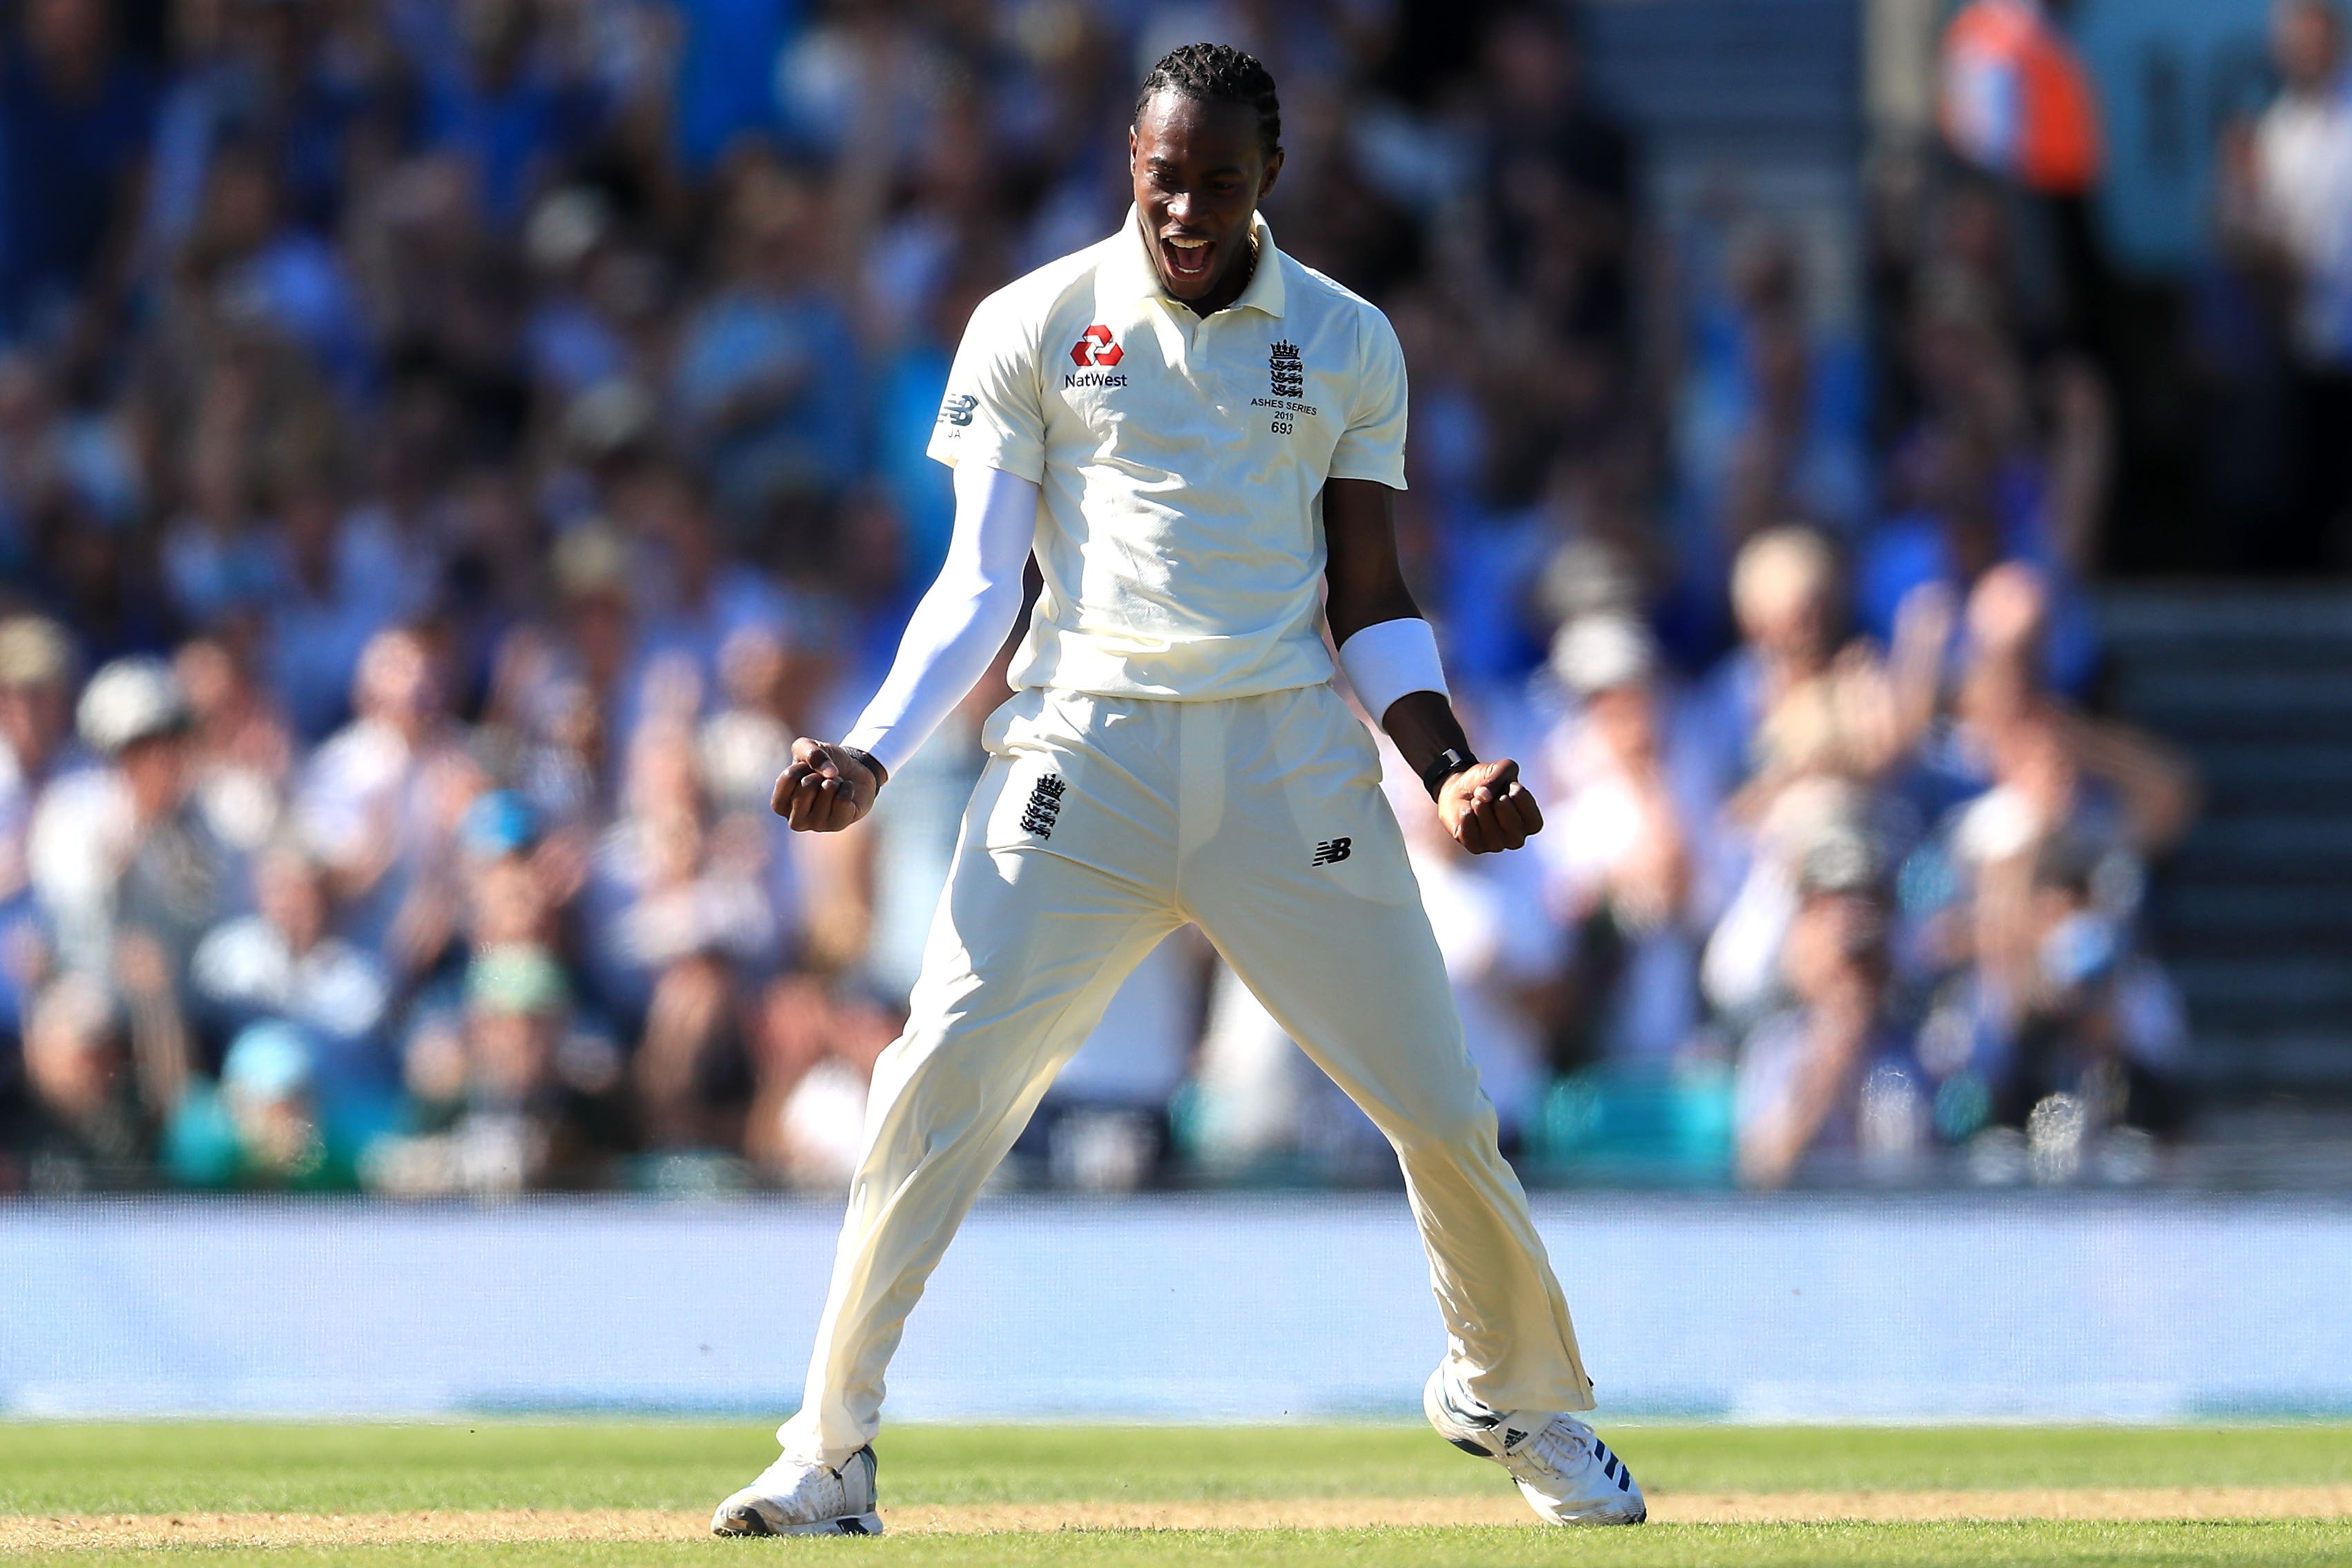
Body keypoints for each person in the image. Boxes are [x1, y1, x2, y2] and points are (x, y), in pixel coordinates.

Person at [709, 45, 1645, 1537]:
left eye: (1219, 183)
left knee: (1436, 1103)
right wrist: (872, 746)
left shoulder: (1344, 338)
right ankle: (827, 1449)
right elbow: (973, 585)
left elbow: (1370, 599)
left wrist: (1446, 763)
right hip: (1081, 753)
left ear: (1269, 177)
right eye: (1164, 182)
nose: (1188, 213)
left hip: (1284, 757)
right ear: (1123, 166)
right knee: (930, 1088)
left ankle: (1509, 1391)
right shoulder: (1032, 321)